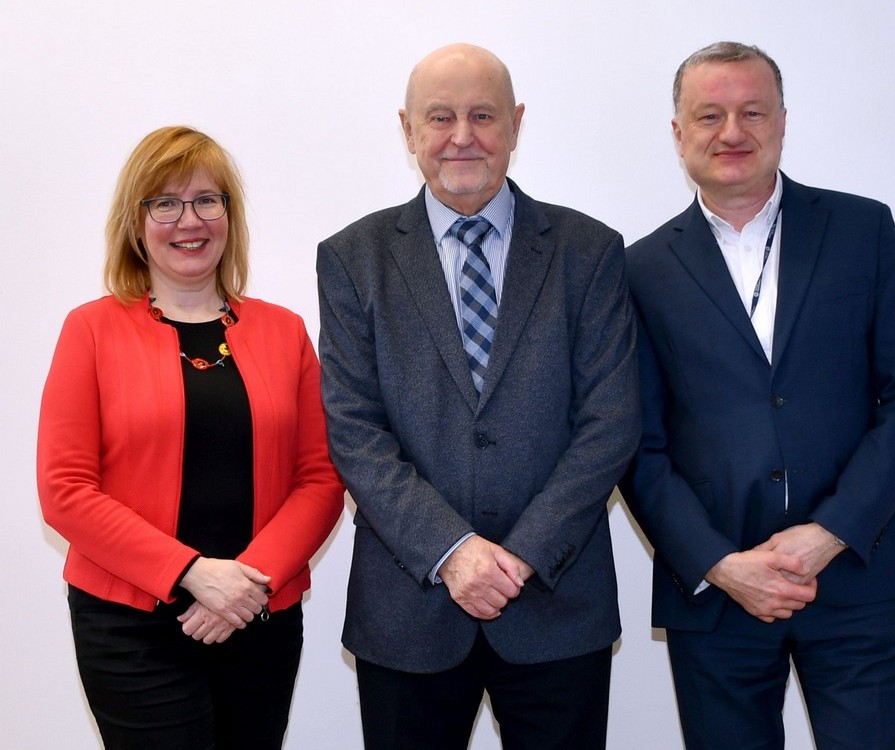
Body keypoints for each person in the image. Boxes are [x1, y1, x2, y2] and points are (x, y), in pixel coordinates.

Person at [316, 43, 640, 750]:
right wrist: (453, 551)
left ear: (516, 124)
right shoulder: (351, 258)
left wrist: (519, 556)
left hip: (557, 604)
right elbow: (354, 430)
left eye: (483, 115)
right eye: (440, 117)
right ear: (407, 129)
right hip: (410, 608)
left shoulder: (589, 252)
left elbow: (611, 423)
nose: (462, 136)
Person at [621, 41, 895, 749]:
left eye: (752, 112)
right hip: (717, 596)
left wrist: (828, 535)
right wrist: (720, 564)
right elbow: (635, 443)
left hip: (858, 576)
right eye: (710, 115)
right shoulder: (637, 270)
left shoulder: (865, 231)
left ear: (784, 121)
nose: (732, 132)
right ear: (679, 133)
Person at [37, 125, 345, 750]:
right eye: (164, 203)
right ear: (136, 221)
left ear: (229, 215)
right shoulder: (91, 331)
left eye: (208, 199)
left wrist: (244, 583)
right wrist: (192, 574)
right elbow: (64, 489)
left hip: (258, 615)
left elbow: (321, 478)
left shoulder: (284, 332)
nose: (189, 220)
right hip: (130, 629)